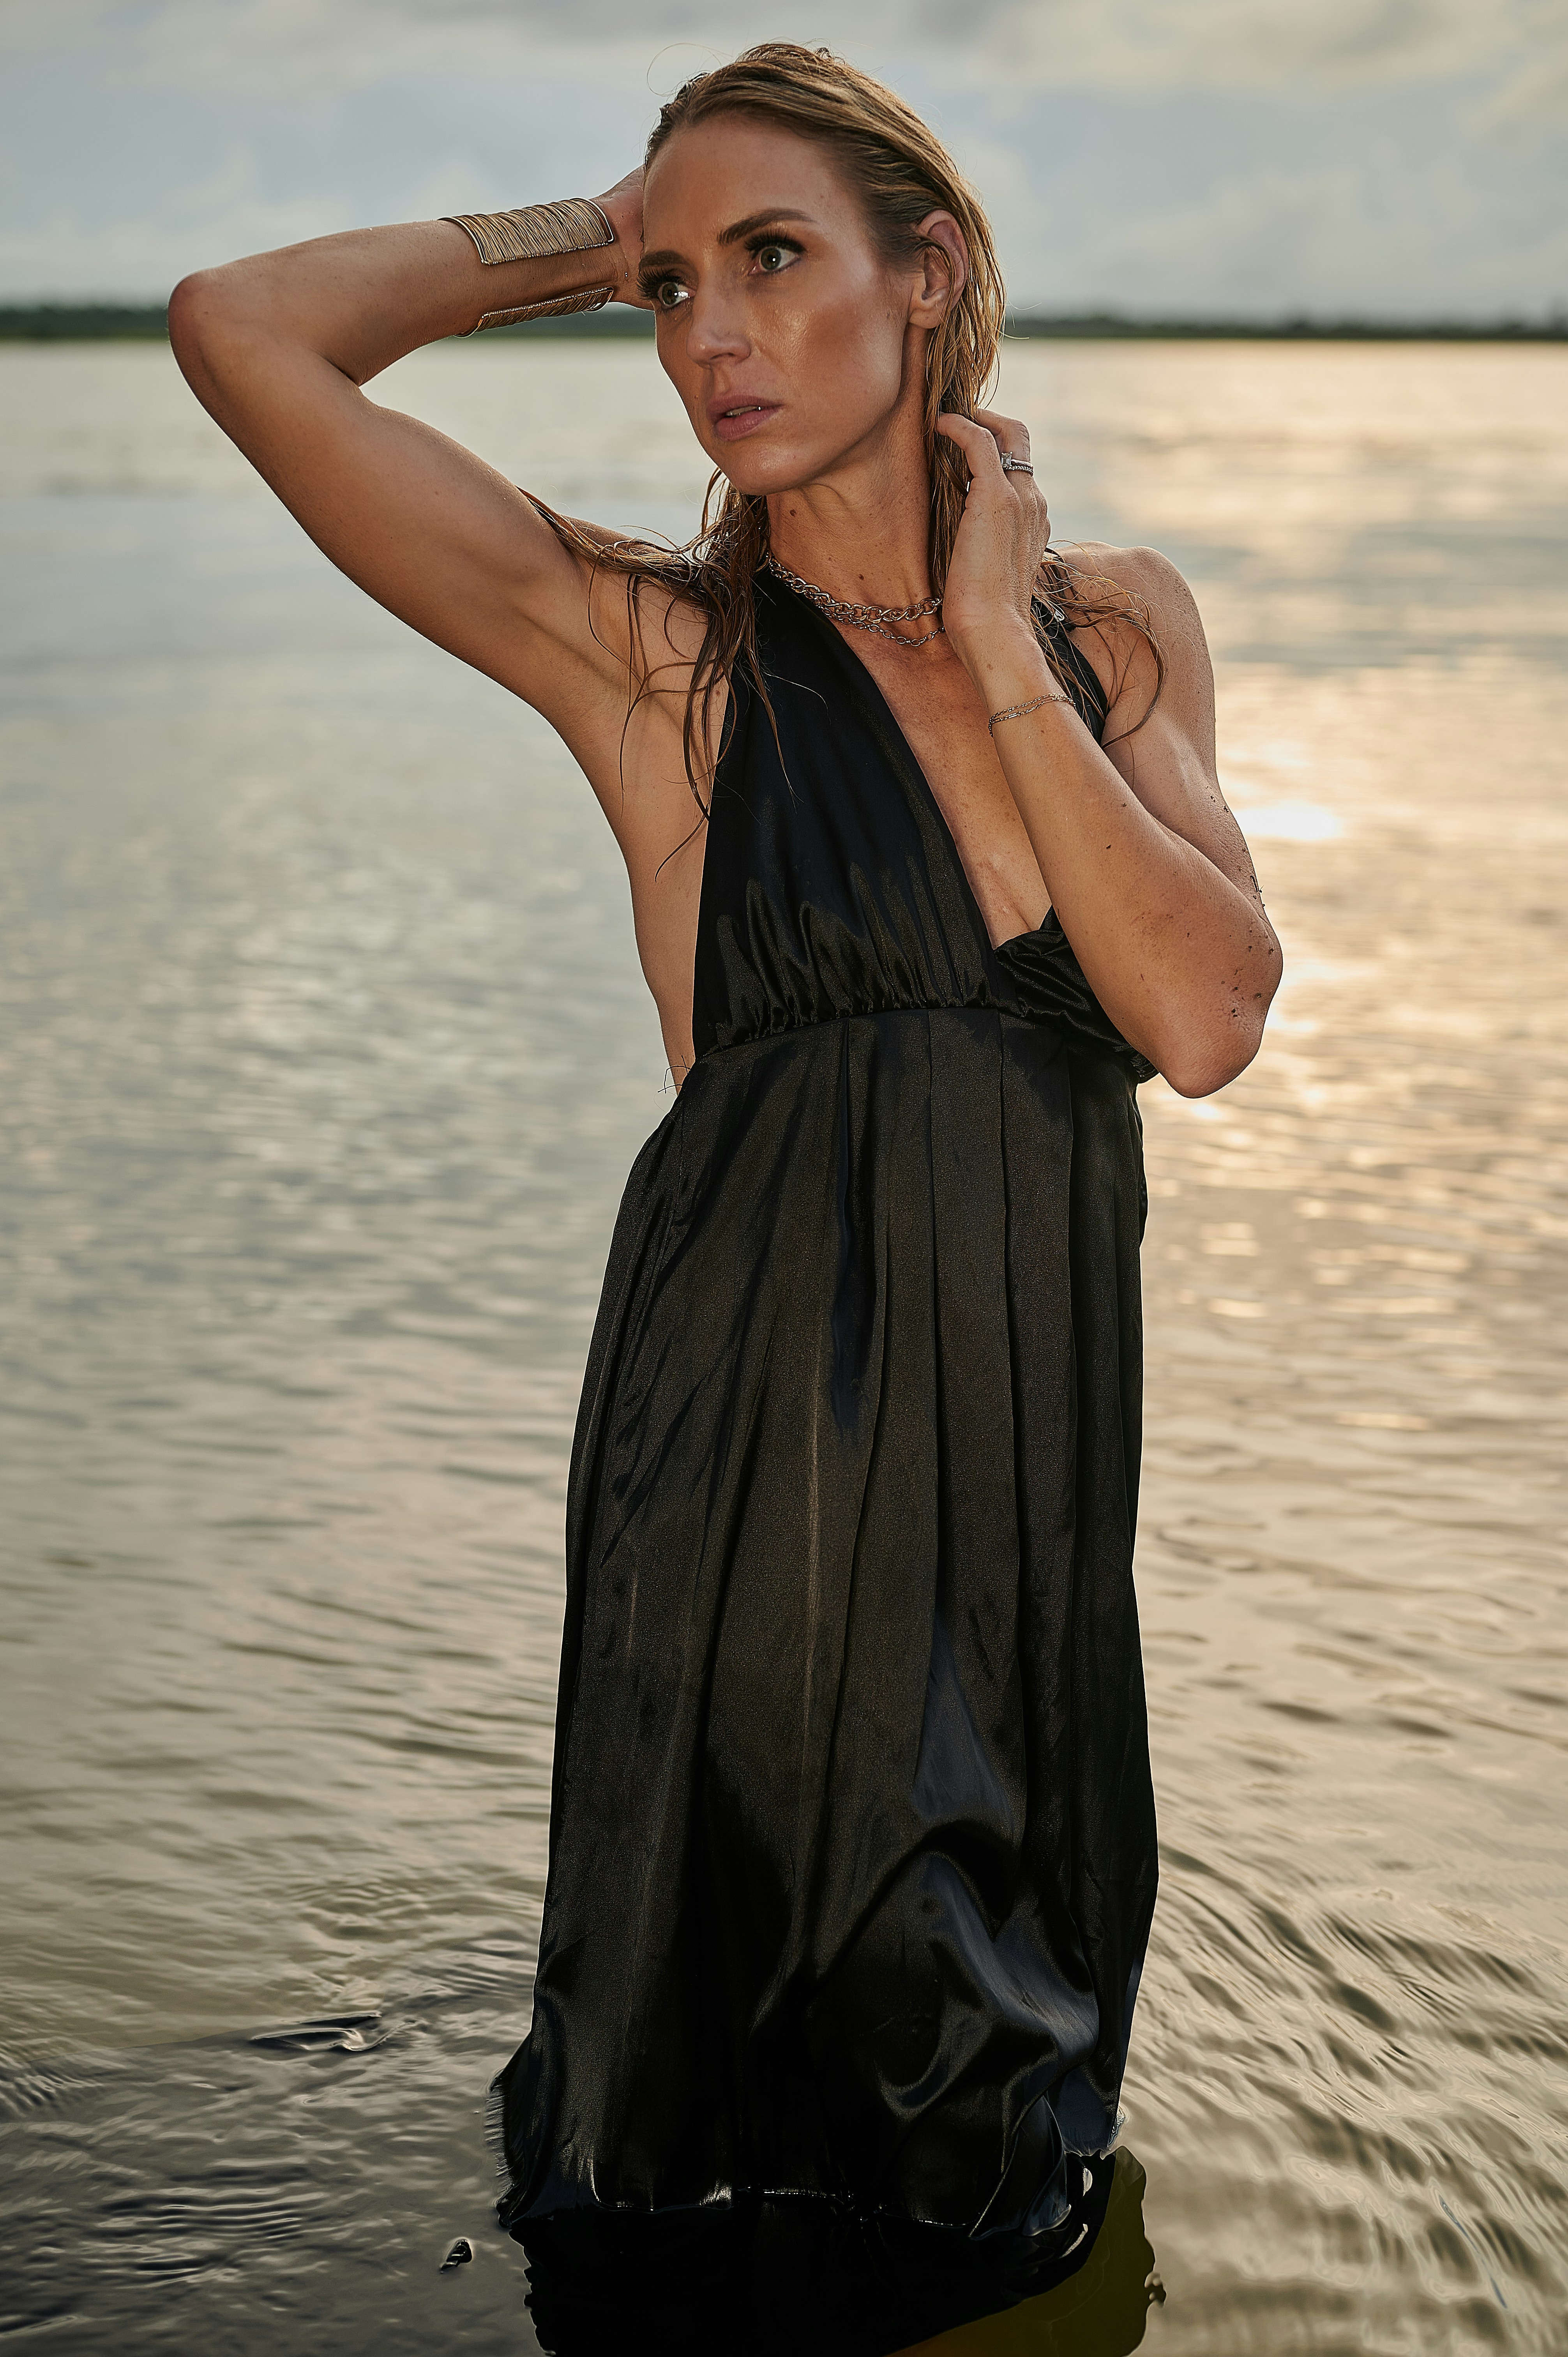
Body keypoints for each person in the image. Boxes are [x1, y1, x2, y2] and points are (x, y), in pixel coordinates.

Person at [171, 40, 1280, 2352]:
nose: (706, 334)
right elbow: (241, 329)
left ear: (928, 272)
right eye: (669, 294)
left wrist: (992, 641)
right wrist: (598, 224)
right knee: (716, 2127)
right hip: (751, 1447)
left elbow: (1200, 1012)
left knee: (991, 2129)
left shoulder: (1111, 630)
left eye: (769, 259)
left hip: (1025, 1480)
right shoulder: (652, 663)